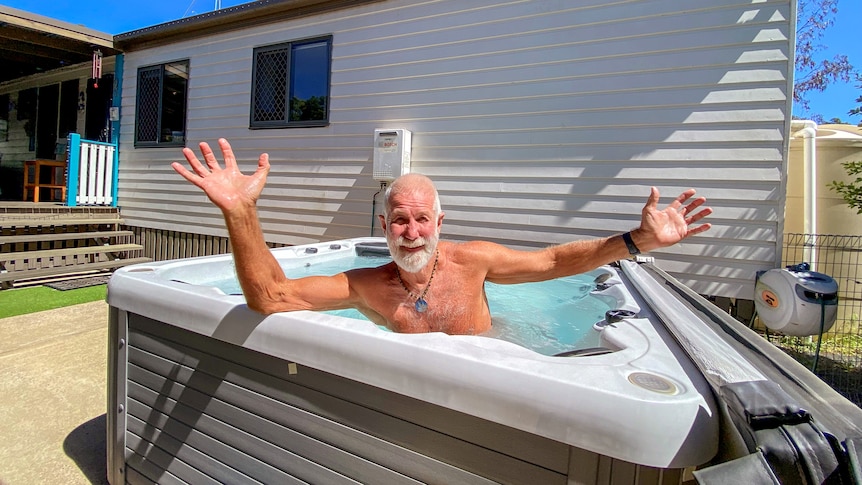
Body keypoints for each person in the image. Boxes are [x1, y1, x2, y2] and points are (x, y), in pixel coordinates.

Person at [172, 138, 712, 335]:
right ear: (383, 228)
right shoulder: (367, 285)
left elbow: (550, 262)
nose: (412, 231)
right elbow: (272, 297)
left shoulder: (473, 262)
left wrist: (637, 241)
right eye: (400, 220)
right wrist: (242, 211)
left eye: (422, 219)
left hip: (498, 356)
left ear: (439, 222)